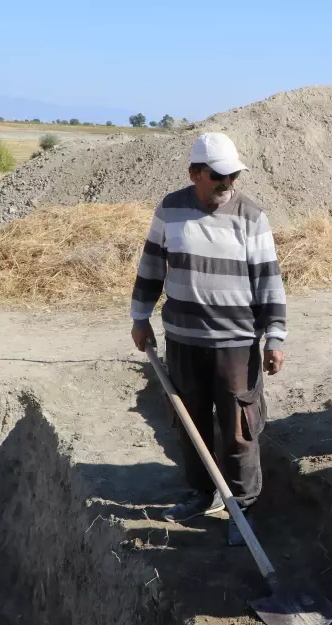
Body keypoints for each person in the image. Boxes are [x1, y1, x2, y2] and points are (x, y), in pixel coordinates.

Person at [130, 131, 287, 545]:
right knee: (190, 424)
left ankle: (243, 507)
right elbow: (151, 267)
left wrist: (275, 336)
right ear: (195, 173)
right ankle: (202, 493)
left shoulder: (251, 215)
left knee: (238, 428)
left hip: (235, 343)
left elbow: (268, 280)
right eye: (218, 175)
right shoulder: (171, 208)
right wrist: (140, 316)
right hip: (182, 339)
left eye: (233, 175)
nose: (227, 183)